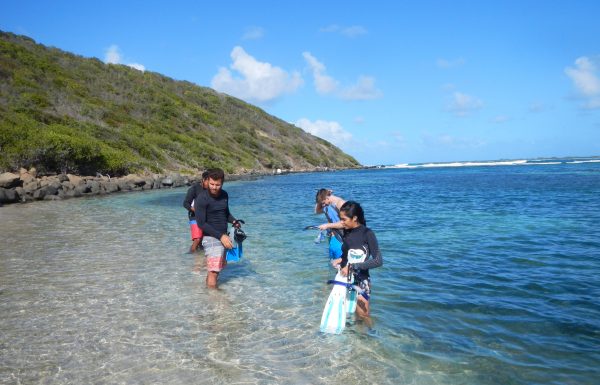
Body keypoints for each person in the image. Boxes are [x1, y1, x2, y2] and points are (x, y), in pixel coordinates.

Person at [331, 201, 383, 321]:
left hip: (361, 281)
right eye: (340, 219)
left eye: (344, 219)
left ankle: (369, 338)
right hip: (345, 278)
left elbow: (378, 260)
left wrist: (352, 266)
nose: (341, 222)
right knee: (347, 314)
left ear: (354, 218)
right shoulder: (347, 232)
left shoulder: (367, 233)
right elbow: (350, 253)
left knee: (362, 315)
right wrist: (340, 260)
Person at [194, 168, 241, 288]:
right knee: (214, 271)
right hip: (211, 238)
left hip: (223, 236)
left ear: (222, 183)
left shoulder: (224, 195)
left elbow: (226, 214)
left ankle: (207, 294)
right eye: (212, 184)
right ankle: (215, 300)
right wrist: (221, 236)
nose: (214, 187)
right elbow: (201, 223)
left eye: (217, 185)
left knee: (216, 269)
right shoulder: (201, 199)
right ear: (207, 181)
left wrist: (234, 221)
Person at [315, 189, 346, 259]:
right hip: (333, 235)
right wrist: (319, 200)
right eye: (321, 203)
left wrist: (327, 225)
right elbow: (317, 211)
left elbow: (345, 223)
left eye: (323, 202)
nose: (322, 205)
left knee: (341, 263)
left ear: (327, 197)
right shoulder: (326, 205)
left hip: (343, 237)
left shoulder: (340, 203)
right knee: (334, 263)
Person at [183, 171, 209, 253]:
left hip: (205, 216)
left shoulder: (210, 190)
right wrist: (195, 209)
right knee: (197, 239)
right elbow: (185, 203)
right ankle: (190, 255)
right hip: (194, 216)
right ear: (203, 180)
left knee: (203, 239)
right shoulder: (194, 189)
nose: (210, 184)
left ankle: (200, 258)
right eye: (208, 181)